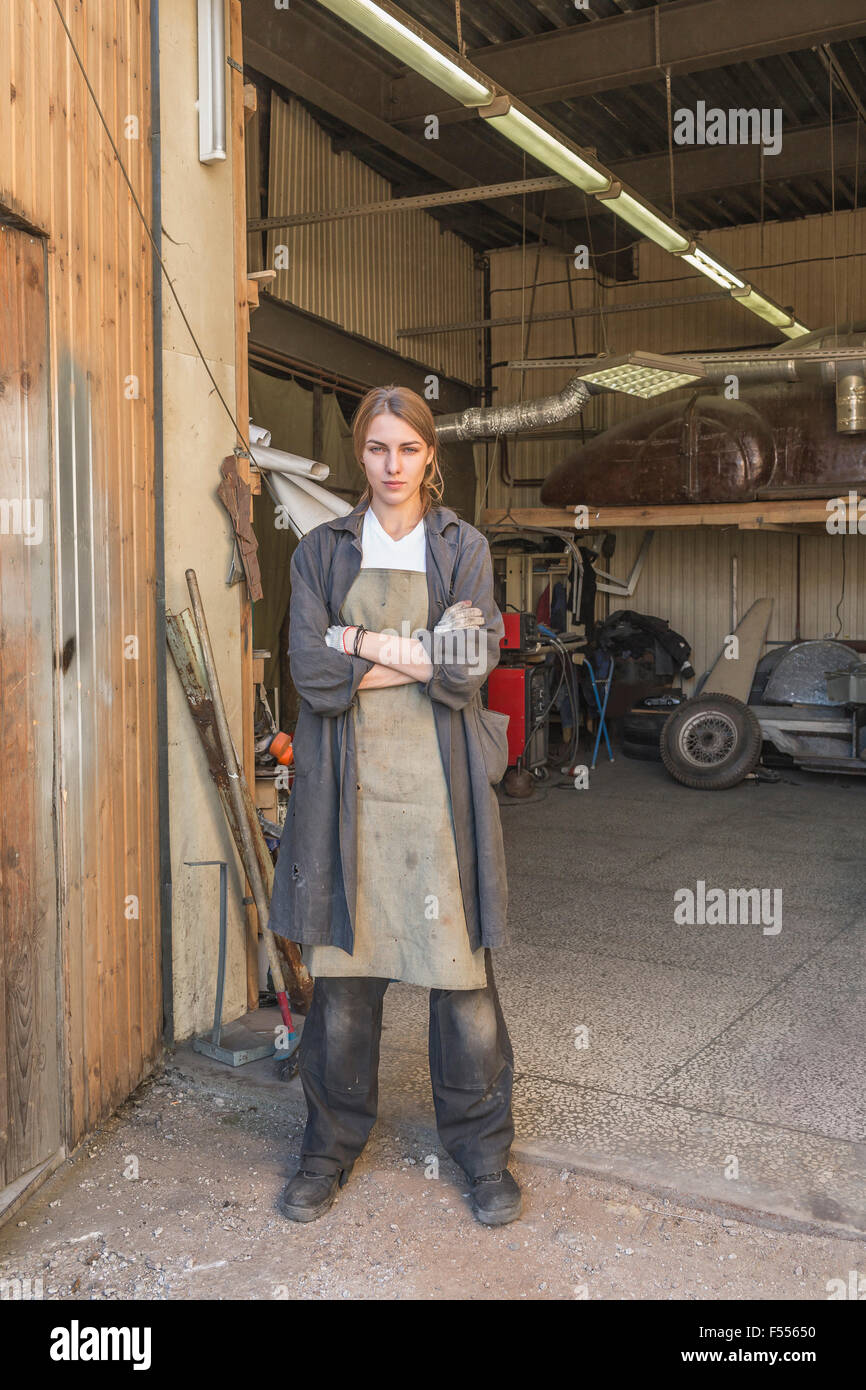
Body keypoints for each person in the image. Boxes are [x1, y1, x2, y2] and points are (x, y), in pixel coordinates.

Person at [268, 383, 520, 1226]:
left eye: (407, 449)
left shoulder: (464, 547)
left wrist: (363, 643)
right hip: (352, 797)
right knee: (343, 987)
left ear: (430, 455)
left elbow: (466, 670)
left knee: (464, 988)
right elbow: (311, 676)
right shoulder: (321, 553)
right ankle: (326, 1151)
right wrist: (419, 651)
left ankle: (482, 1156)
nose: (392, 465)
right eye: (377, 449)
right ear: (360, 454)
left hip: (440, 799)